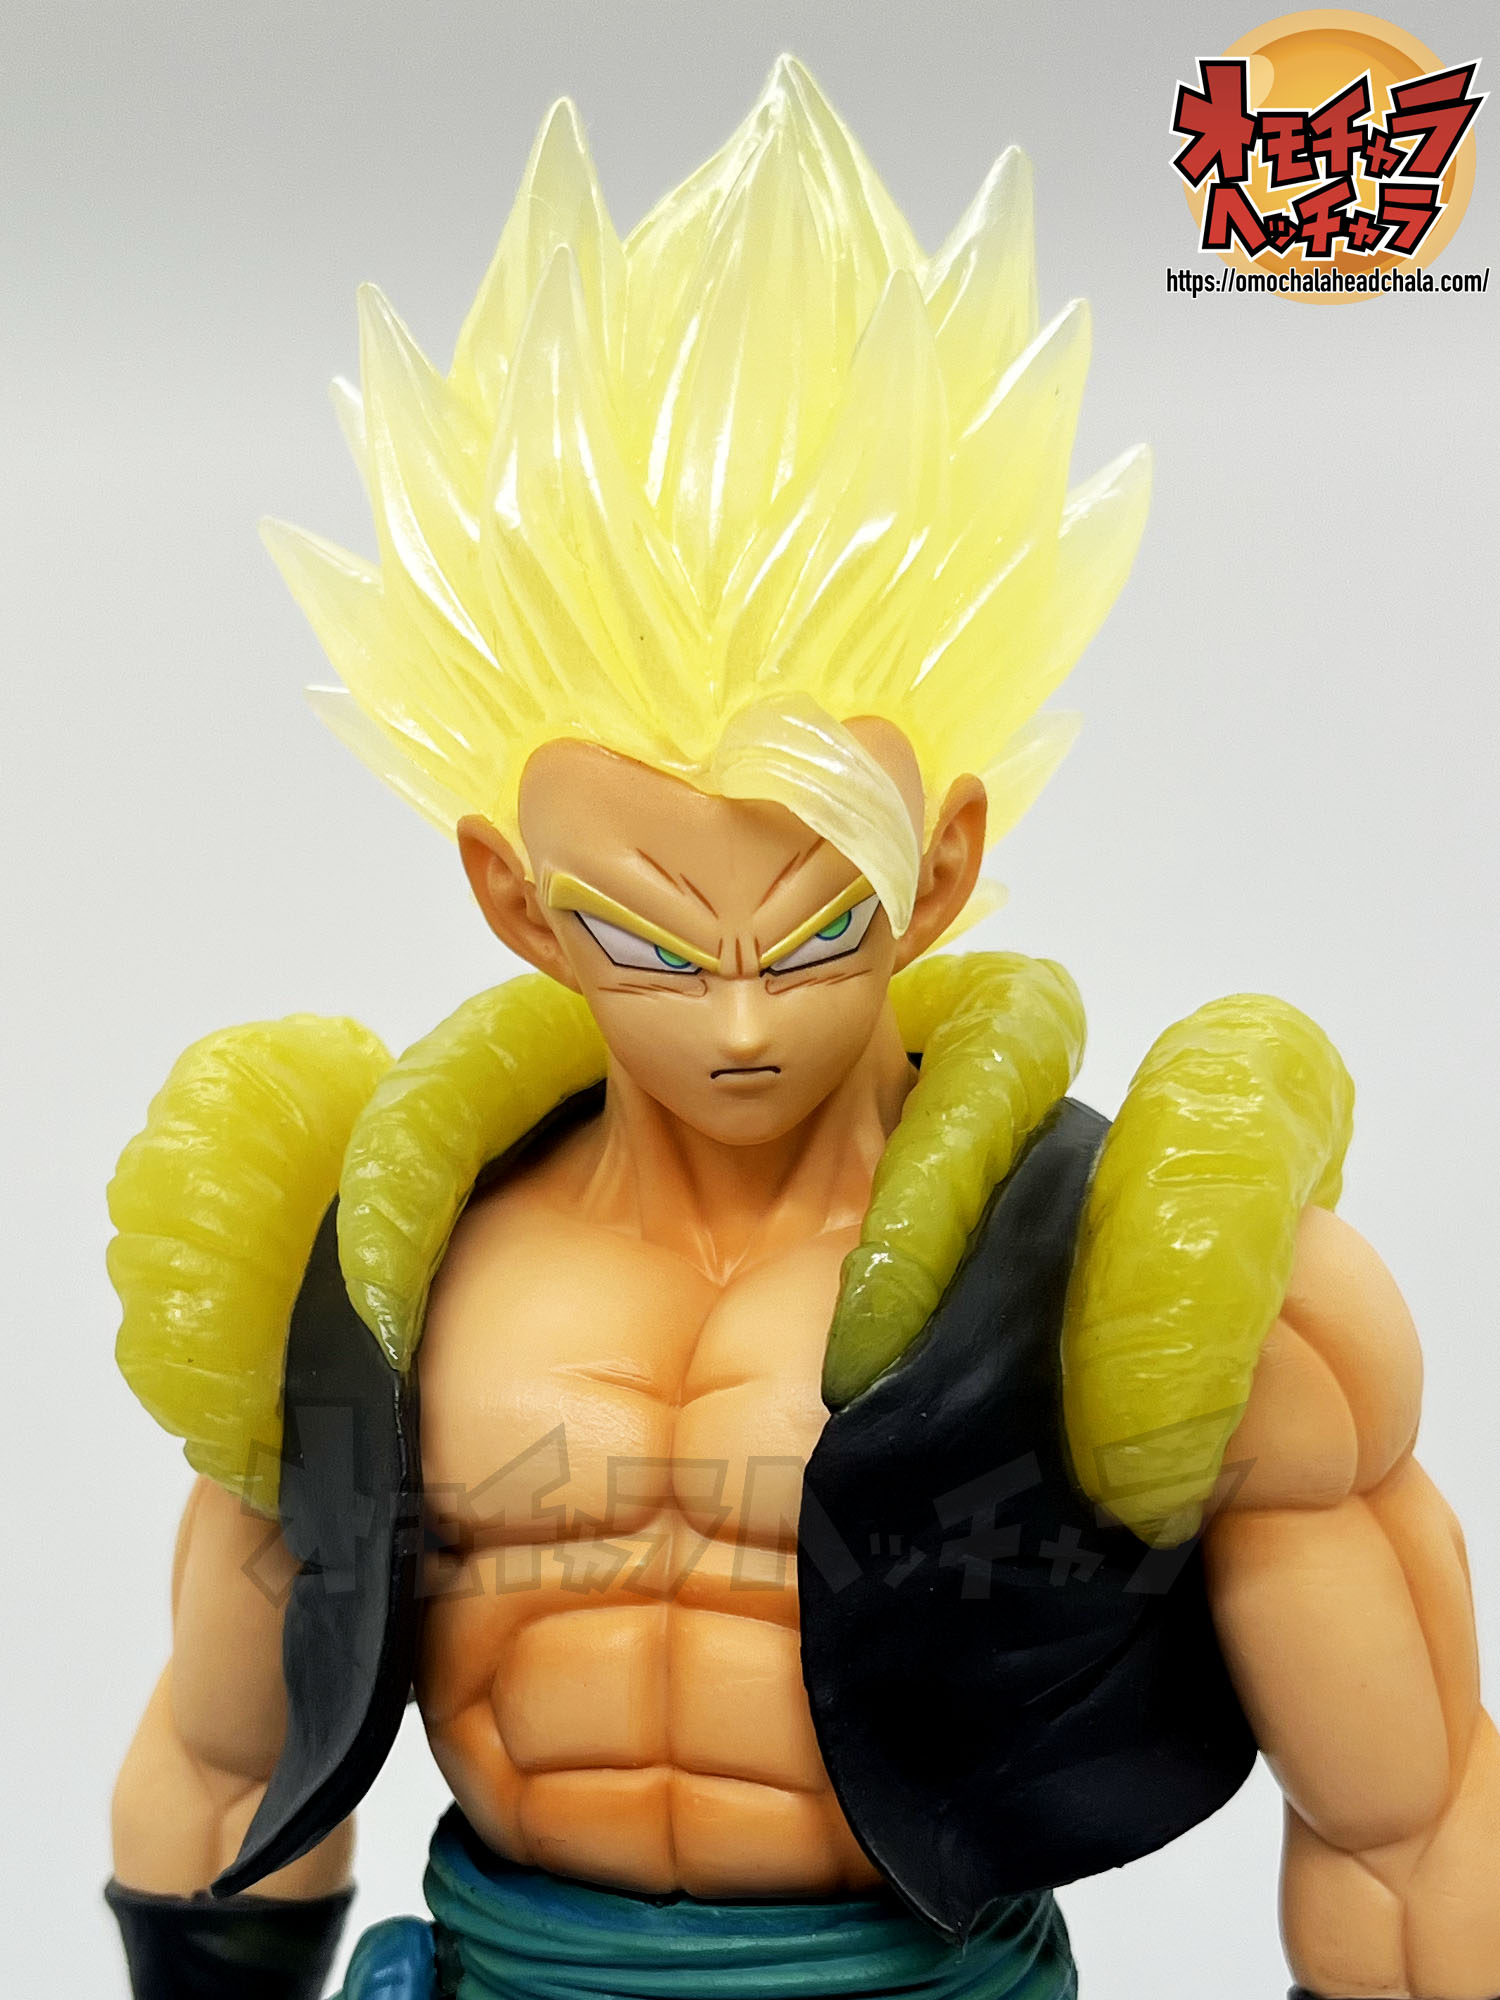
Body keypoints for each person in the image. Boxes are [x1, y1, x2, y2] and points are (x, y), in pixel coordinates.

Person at [104, 58, 1499, 2000]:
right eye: (652, 940)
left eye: (822, 927)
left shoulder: (1156, 1285)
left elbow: (1405, 1822)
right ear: (516, 901)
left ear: (942, 873)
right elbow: (219, 1764)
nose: (745, 1017)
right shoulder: (370, 1271)